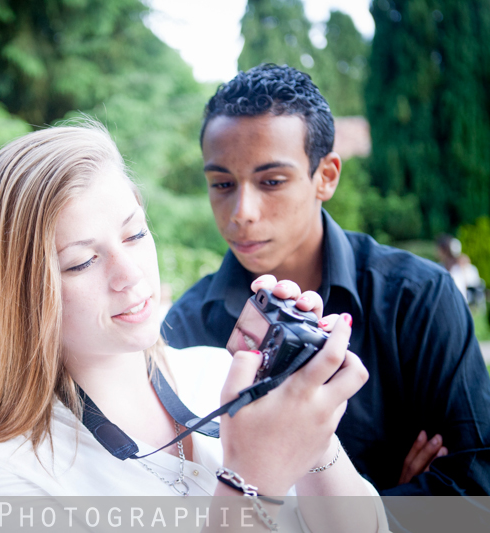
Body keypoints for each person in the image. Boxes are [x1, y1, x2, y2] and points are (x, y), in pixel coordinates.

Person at [0, 123, 387, 532]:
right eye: (82, 261)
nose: (130, 274)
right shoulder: (6, 472)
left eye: (134, 235)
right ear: (16, 295)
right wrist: (252, 481)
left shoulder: (217, 374)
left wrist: (306, 420)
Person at [162, 64, 490, 495]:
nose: (242, 211)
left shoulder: (418, 298)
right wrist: (389, 503)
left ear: (327, 176)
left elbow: (475, 493)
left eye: (272, 181)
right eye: (222, 184)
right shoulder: (187, 326)